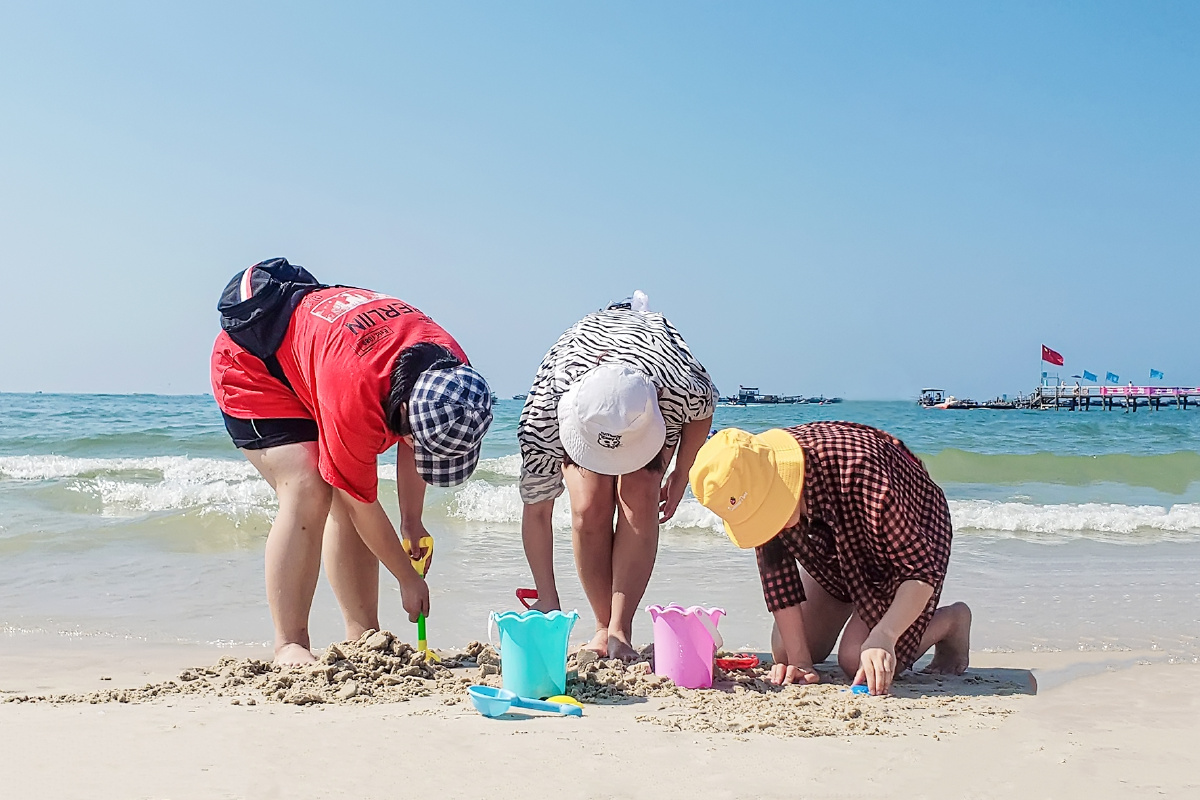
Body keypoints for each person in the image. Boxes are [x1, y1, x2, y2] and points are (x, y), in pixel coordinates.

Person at [211, 263, 493, 665]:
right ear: (402, 409)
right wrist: (407, 578)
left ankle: (362, 635)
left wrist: (412, 522)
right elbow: (358, 499)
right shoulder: (355, 392)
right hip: (255, 367)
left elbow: (414, 443)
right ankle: (289, 643)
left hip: (321, 363)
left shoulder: (451, 373)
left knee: (349, 482)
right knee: (310, 486)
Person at [689, 422, 972, 695]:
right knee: (786, 652)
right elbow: (779, 581)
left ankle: (951, 621)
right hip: (834, 547)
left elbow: (920, 571)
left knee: (857, 659)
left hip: (908, 541)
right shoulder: (752, 476)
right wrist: (801, 664)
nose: (770, 525)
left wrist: (885, 635)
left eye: (769, 511)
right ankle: (853, 606)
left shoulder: (862, 469)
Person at [517, 295, 717, 659]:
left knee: (639, 498)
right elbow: (537, 510)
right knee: (588, 506)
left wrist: (681, 474)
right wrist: (547, 598)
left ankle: (620, 629)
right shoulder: (543, 413)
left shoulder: (678, 385)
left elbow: (704, 410)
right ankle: (601, 626)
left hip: (647, 372)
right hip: (584, 380)